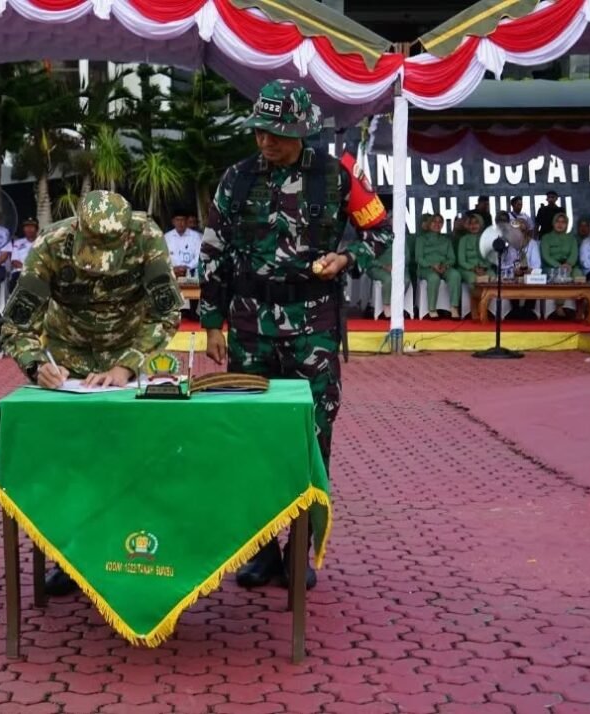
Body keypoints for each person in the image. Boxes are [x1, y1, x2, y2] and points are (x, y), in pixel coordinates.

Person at [199, 80, 390, 591]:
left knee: (311, 439)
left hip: (313, 332)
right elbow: (213, 253)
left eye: (278, 135)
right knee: (249, 441)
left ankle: (299, 548)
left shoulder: (336, 177)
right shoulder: (236, 180)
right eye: (261, 133)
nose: (267, 143)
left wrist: (348, 258)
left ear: (303, 131)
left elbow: (380, 230)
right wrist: (211, 323)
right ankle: (260, 551)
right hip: (247, 331)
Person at [1, 190, 183, 597]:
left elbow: (166, 311)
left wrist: (128, 364)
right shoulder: (50, 245)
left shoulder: (147, 237)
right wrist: (37, 366)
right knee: (72, 466)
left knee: (132, 461)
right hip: (69, 363)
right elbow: (17, 325)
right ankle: (71, 558)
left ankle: (135, 554)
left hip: (127, 363)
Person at [415, 214, 461, 319]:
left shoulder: (446, 240)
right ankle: (432, 309)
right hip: (426, 268)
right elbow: (419, 258)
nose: (437, 224)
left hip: (443, 267)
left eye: (440, 222)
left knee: (455, 275)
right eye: (434, 221)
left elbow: (452, 258)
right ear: (429, 223)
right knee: (433, 278)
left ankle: (454, 307)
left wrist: (445, 266)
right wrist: (431, 265)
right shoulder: (421, 239)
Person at [541, 212, 583, 318]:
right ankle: (559, 306)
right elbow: (546, 256)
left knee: (578, 275)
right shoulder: (546, 238)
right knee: (560, 275)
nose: (560, 224)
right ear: (553, 223)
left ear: (567, 224)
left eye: (563, 222)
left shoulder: (571, 239)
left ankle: (581, 307)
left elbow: (574, 254)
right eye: (557, 222)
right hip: (551, 267)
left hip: (569, 266)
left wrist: (569, 264)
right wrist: (559, 266)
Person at [163, 207, 202, 278]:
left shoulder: (196, 236)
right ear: (173, 222)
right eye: (177, 220)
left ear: (186, 221)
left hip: (191, 274)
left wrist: (187, 267)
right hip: (172, 275)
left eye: (182, 220)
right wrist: (174, 269)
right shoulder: (166, 237)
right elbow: (163, 256)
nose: (180, 223)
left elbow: (199, 256)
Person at [8, 217, 39, 294]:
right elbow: (15, 261)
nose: (29, 229)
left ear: (37, 229)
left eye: (32, 227)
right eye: (26, 227)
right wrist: (27, 269)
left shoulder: (41, 241)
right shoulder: (18, 243)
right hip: (20, 272)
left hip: (37, 273)